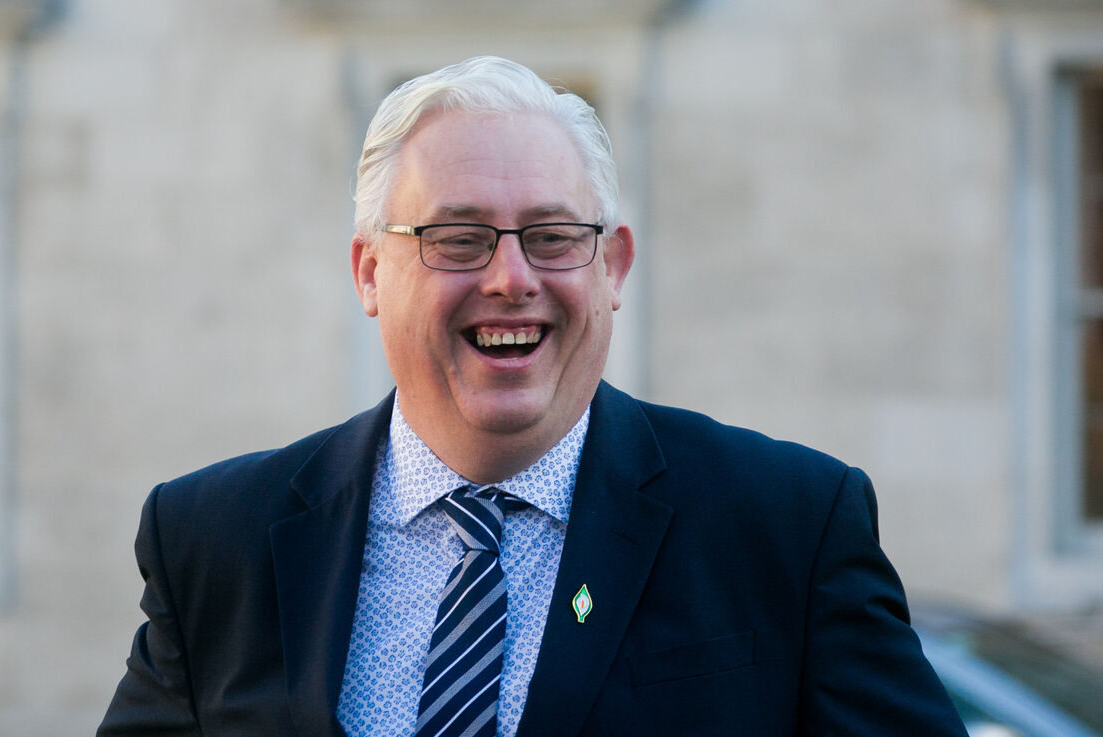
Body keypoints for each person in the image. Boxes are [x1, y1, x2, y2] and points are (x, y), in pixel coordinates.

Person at [98, 56, 968, 737]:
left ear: (613, 265)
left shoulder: (788, 527)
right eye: (459, 237)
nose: (512, 278)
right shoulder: (216, 541)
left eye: (553, 237)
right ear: (370, 272)